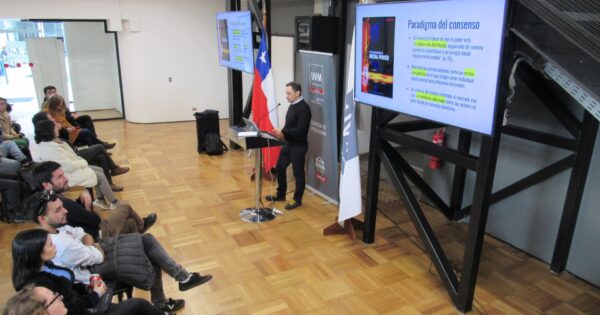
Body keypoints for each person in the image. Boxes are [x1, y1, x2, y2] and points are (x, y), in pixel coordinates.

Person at [25, 191, 213, 313]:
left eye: (62, 206)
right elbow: (95, 253)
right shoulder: (61, 244)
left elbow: (83, 234)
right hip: (92, 274)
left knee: (145, 241)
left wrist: (89, 244)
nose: (65, 211)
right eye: (58, 210)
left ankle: (178, 285)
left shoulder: (59, 228)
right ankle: (174, 289)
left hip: (94, 257)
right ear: (42, 218)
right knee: (144, 244)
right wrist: (92, 246)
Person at [10, 229, 172, 315]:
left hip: (86, 294)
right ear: (36, 252)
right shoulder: (38, 288)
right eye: (50, 245)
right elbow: (74, 308)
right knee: (139, 304)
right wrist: (95, 294)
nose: (55, 247)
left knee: (143, 249)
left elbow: (69, 289)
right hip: (87, 307)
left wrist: (86, 288)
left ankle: (163, 302)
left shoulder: (46, 265)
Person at [33, 161, 155, 240]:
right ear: (46, 184)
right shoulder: (64, 204)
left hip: (89, 234)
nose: (65, 179)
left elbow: (75, 215)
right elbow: (95, 220)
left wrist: (80, 202)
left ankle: (136, 242)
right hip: (98, 234)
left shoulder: (45, 200)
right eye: (60, 177)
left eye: (63, 175)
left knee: (131, 224)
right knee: (125, 208)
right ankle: (142, 227)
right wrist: (87, 205)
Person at [32, 119, 119, 209]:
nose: (57, 128)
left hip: (67, 170)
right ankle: (114, 202)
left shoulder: (50, 142)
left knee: (99, 169)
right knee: (99, 175)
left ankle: (100, 200)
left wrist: (81, 161)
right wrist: (83, 162)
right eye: (54, 127)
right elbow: (67, 166)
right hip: (66, 175)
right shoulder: (51, 148)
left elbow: (70, 158)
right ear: (48, 131)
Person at [32, 112, 129, 191]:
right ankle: (113, 168)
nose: (53, 119)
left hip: (73, 153)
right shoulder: (49, 136)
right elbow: (67, 144)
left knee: (100, 156)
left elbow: (69, 126)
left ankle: (109, 183)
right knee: (98, 146)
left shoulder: (52, 130)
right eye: (50, 118)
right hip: (73, 156)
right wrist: (61, 129)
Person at [266, 82, 312, 210]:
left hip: (298, 146)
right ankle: (281, 194)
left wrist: (283, 132)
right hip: (288, 143)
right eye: (286, 93)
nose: (286, 96)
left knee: (298, 173)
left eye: (289, 93)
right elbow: (289, 126)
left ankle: (297, 199)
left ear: (298, 93)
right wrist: (281, 134)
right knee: (280, 168)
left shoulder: (304, 109)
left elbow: (300, 131)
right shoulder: (292, 105)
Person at [42, 86, 113, 148]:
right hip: (66, 131)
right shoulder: (47, 111)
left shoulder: (58, 105)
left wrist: (73, 114)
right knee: (86, 131)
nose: (53, 94)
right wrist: (67, 128)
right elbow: (58, 123)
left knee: (87, 133)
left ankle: (99, 149)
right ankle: (101, 145)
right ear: (45, 95)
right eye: (50, 92)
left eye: (54, 92)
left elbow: (66, 115)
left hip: (70, 125)